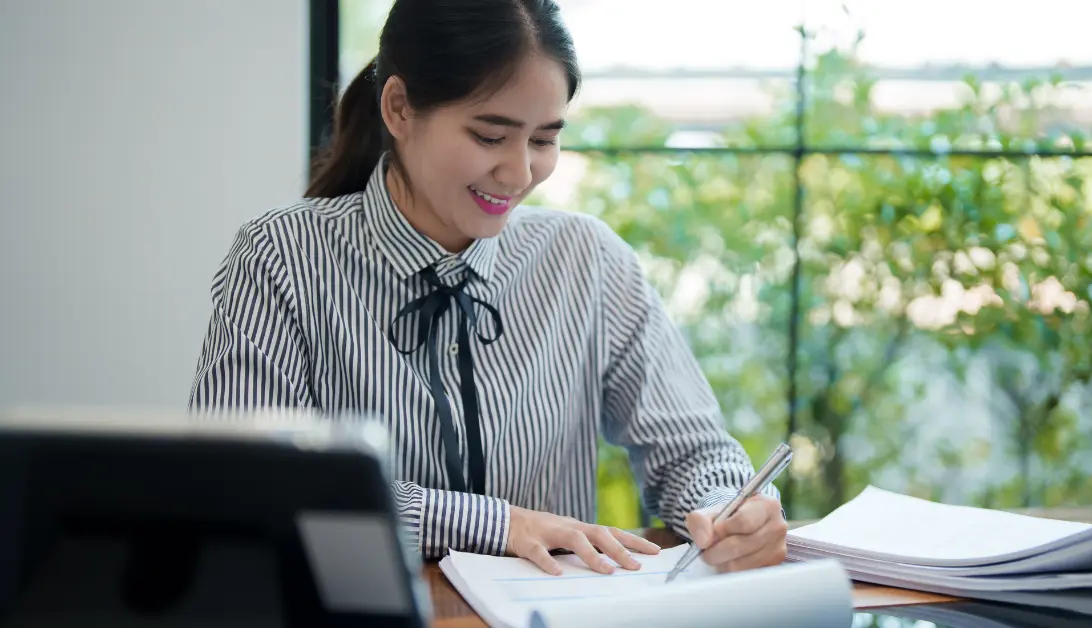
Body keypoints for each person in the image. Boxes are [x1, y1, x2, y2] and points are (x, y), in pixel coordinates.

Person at [188, 0, 787, 577]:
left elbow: (691, 451)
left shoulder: (587, 259)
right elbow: (245, 480)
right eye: (490, 136)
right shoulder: (280, 256)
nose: (520, 172)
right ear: (398, 108)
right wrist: (494, 525)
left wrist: (729, 509)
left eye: (544, 139)